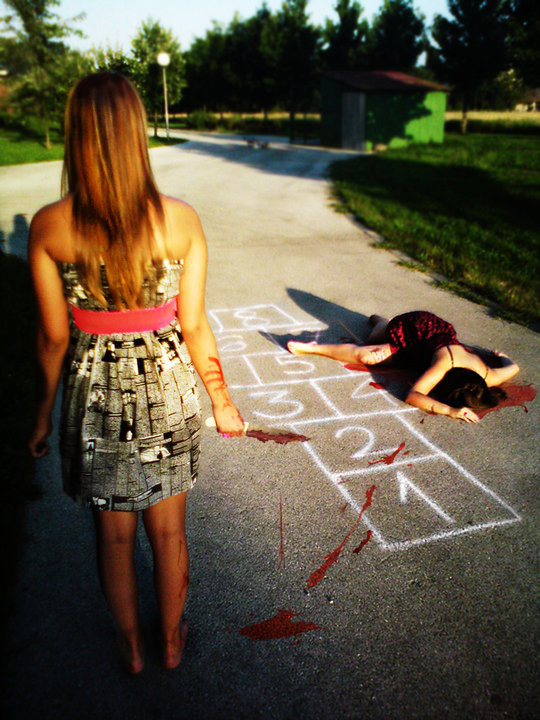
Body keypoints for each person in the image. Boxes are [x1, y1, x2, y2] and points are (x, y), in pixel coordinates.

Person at [27, 73, 244, 673]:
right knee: (169, 533)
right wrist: (221, 401)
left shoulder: (49, 226)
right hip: (167, 389)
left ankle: (131, 648)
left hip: (94, 394)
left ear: (76, 136)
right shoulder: (181, 220)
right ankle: (171, 641)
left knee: (114, 536)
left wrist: (41, 414)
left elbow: (52, 338)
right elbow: (194, 324)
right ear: (136, 133)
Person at [288, 311, 519, 423]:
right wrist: (449, 411)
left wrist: (503, 357)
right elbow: (413, 395)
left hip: (427, 352)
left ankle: (380, 324)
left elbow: (513, 368)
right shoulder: (443, 365)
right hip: (415, 331)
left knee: (376, 352)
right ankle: (379, 324)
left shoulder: (487, 376)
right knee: (370, 352)